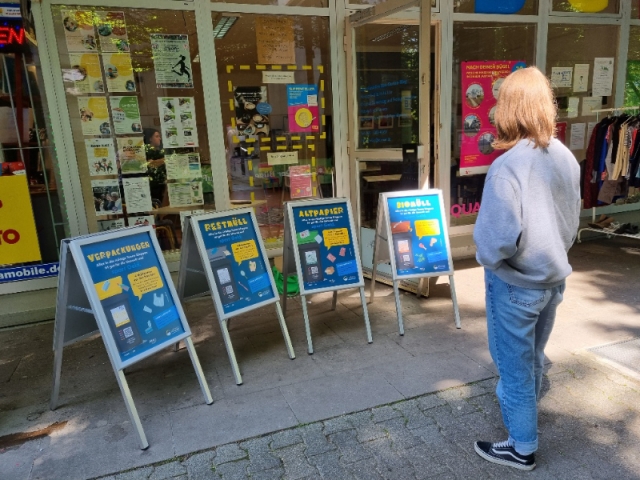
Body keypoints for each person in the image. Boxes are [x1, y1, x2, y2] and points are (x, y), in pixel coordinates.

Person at [472, 67, 581, 471]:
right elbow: (572, 219)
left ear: (508, 109)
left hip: (515, 284)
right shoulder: (565, 157)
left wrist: (491, 262)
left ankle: (521, 447)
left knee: (513, 367)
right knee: (533, 357)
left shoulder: (508, 166)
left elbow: (494, 240)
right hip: (553, 279)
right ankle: (525, 419)